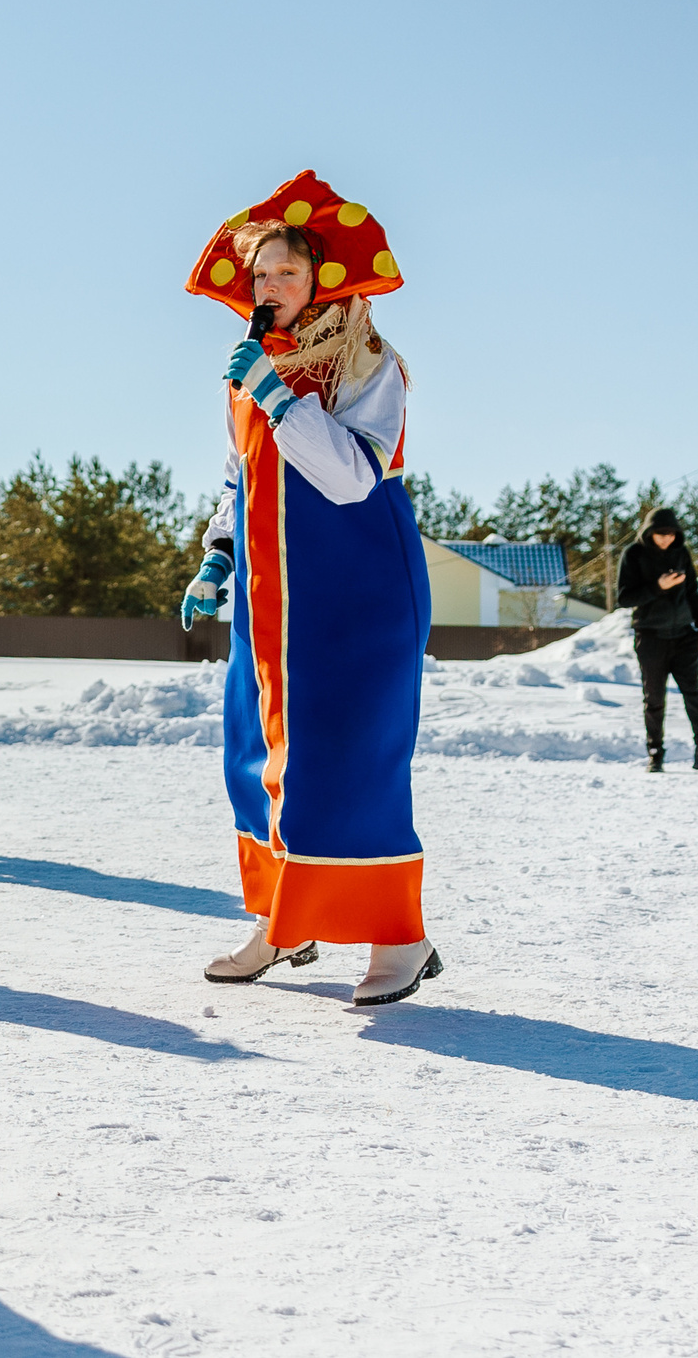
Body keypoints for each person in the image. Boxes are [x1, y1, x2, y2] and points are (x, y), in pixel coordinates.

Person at [180, 172, 439, 1007]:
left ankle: (401, 938)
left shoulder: (368, 363)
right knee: (260, 756)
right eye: (260, 277)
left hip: (354, 589)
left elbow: (352, 477)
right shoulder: (251, 372)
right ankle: (283, 923)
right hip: (272, 593)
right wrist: (217, 556)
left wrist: (273, 391)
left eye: (286, 274)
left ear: (320, 280)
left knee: (346, 756)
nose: (270, 289)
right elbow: (238, 475)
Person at [618, 507, 698, 772]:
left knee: (693, 693)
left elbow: (692, 592)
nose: (666, 539)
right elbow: (625, 598)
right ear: (649, 532)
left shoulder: (680, 553)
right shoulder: (633, 555)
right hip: (650, 637)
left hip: (684, 635)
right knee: (655, 698)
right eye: (661, 534)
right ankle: (655, 754)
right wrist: (659, 586)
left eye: (671, 534)